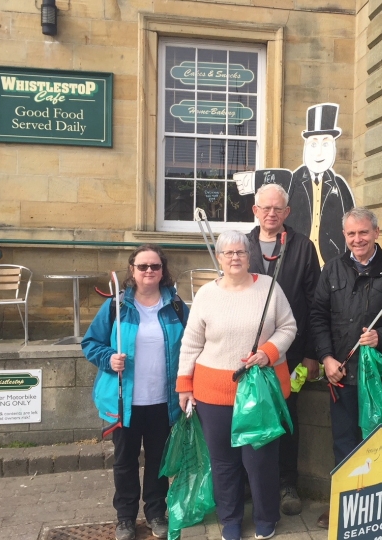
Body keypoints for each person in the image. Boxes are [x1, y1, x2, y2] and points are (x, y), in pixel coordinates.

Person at [177, 230, 297, 540]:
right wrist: (184, 385)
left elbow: (288, 327)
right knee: (223, 462)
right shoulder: (206, 295)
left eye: (240, 252)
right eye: (228, 253)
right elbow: (191, 343)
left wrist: (268, 353)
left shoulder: (269, 288)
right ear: (218, 258)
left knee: (260, 460)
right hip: (214, 392)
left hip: (260, 391)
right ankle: (229, 519)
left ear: (249, 256)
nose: (234, 258)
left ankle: (265, 517)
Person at [310, 207, 382, 529]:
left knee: (378, 439)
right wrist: (326, 357)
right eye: (351, 234)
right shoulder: (332, 270)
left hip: (377, 375)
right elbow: (318, 316)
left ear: (376, 233)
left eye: (364, 232)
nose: (358, 239)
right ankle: (344, 504)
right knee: (343, 440)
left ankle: (375, 510)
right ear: (345, 236)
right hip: (340, 374)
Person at [82, 245, 188, 540]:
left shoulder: (177, 307)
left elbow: (193, 345)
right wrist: (108, 358)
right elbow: (90, 343)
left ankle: (156, 512)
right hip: (125, 402)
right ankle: (125, 518)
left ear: (163, 270)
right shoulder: (116, 306)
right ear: (132, 271)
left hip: (163, 401)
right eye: (143, 267)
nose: (149, 271)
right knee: (125, 461)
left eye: (155, 266)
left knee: (158, 460)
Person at [246, 183, 321, 516]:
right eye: (266, 208)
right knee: (251, 416)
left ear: (287, 213)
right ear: (255, 211)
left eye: (278, 209)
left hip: (291, 352)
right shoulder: (240, 246)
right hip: (248, 353)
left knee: (288, 418)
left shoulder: (303, 247)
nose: (271, 214)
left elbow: (317, 303)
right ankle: (252, 483)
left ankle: (287, 483)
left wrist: (312, 354)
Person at [285, 103, 355, 265]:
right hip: (297, 263)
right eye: (314, 144)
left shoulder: (340, 186)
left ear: (333, 147)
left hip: (331, 265)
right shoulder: (291, 182)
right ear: (305, 147)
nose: (319, 152)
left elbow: (353, 228)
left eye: (325, 144)